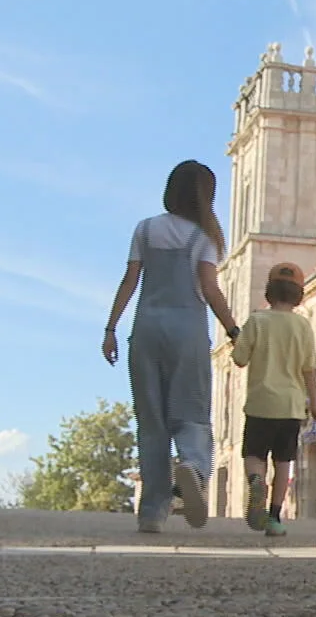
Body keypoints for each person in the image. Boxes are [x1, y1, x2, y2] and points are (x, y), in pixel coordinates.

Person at [102, 160, 242, 534]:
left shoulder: (145, 230)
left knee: (151, 422)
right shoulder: (204, 238)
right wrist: (233, 330)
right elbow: (210, 289)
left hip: (146, 329)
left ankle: (152, 510)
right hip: (188, 330)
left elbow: (130, 280)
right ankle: (193, 467)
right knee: (191, 409)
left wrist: (111, 327)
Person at [232, 263, 316, 539]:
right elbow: (309, 368)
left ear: (269, 291)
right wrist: (315, 404)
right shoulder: (303, 326)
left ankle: (256, 483)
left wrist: (238, 338)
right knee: (284, 461)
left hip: (260, 402)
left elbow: (239, 359)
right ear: (298, 294)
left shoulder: (256, 321)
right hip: (290, 406)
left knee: (254, 455)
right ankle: (274, 517)